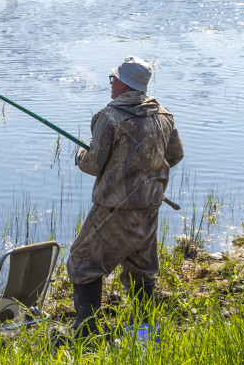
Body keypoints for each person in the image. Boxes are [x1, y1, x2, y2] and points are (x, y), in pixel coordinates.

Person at [67, 56, 184, 336]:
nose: (110, 84)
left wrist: (80, 155)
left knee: (83, 262)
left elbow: (93, 164)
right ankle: (146, 328)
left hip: (114, 209)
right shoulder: (164, 115)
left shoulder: (109, 118)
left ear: (123, 84)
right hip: (149, 206)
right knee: (141, 267)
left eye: (113, 79)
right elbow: (175, 155)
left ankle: (87, 331)